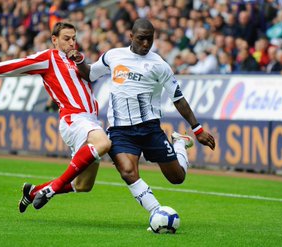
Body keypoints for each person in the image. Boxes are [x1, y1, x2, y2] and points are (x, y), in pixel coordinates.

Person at [64, 18, 216, 227]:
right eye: (142, 39)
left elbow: (177, 98)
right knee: (127, 171)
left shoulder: (159, 65)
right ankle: (156, 212)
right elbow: (90, 74)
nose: (146, 44)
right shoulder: (113, 56)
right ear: (131, 37)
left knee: (177, 178)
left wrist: (197, 129)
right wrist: (79, 60)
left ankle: (179, 143)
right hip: (120, 130)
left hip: (150, 129)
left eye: (150, 40)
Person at [0, 22, 111, 213]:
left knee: (83, 185)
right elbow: (13, 66)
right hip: (74, 118)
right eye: (66, 38)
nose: (71, 42)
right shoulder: (49, 58)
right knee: (103, 143)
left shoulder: (77, 61)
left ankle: (34, 192)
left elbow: (91, 76)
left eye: (74, 38)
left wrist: (80, 61)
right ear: (54, 40)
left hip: (89, 121)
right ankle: (51, 189)